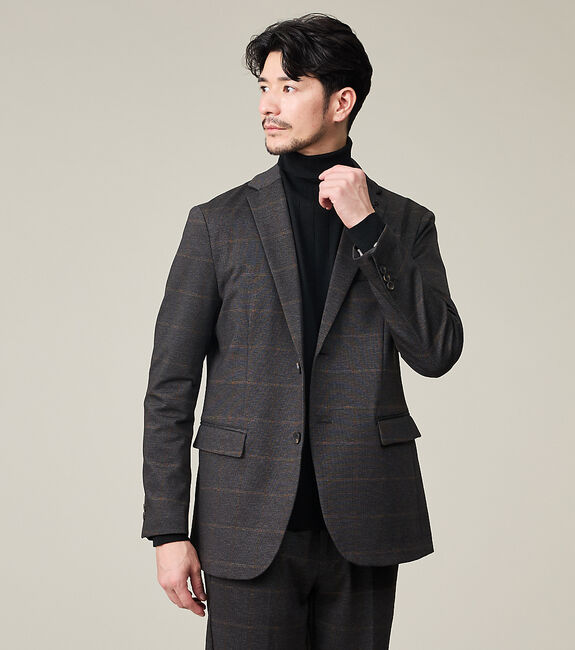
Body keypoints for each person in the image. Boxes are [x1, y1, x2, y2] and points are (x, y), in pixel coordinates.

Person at [141, 12, 464, 649]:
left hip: (365, 519)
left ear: (341, 102)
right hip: (244, 520)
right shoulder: (217, 224)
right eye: (264, 87)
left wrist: (368, 230)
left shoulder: (403, 224)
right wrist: (168, 530)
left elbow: (436, 351)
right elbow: (169, 387)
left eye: (289, 87)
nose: (268, 105)